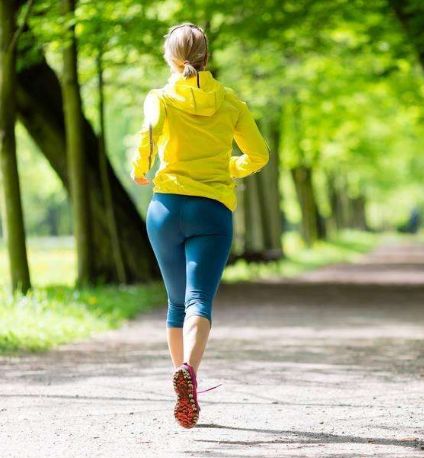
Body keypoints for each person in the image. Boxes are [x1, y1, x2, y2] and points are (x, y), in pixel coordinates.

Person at [129, 22, 269, 429]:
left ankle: (183, 378)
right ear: (207, 56)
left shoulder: (160, 98)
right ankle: (188, 372)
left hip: (167, 209)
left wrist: (141, 170)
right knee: (198, 302)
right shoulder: (230, 101)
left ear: (171, 58)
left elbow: (146, 138)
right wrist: (228, 168)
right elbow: (258, 155)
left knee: (175, 303)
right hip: (212, 210)